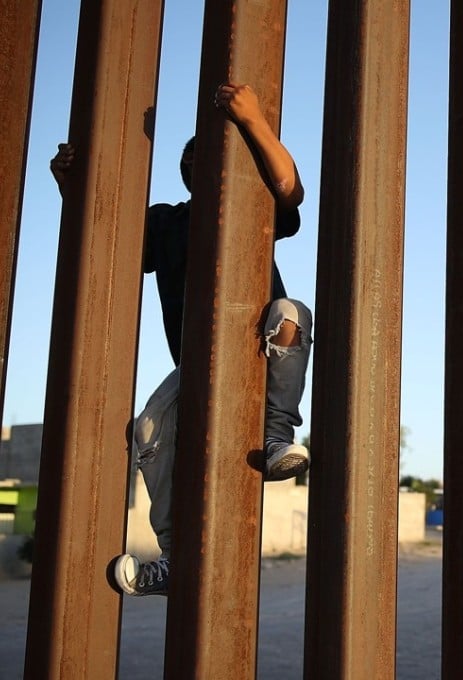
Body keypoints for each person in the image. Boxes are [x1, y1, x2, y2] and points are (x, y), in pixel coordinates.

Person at [49, 83, 313, 597]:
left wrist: (253, 119)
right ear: (187, 172)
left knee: (290, 312)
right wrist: (70, 188)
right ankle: (172, 556)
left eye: (212, 151)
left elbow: (289, 189)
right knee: (148, 425)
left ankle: (276, 436)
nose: (199, 158)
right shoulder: (168, 221)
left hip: (258, 345)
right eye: (191, 154)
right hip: (198, 362)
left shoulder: (255, 208)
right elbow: (107, 239)